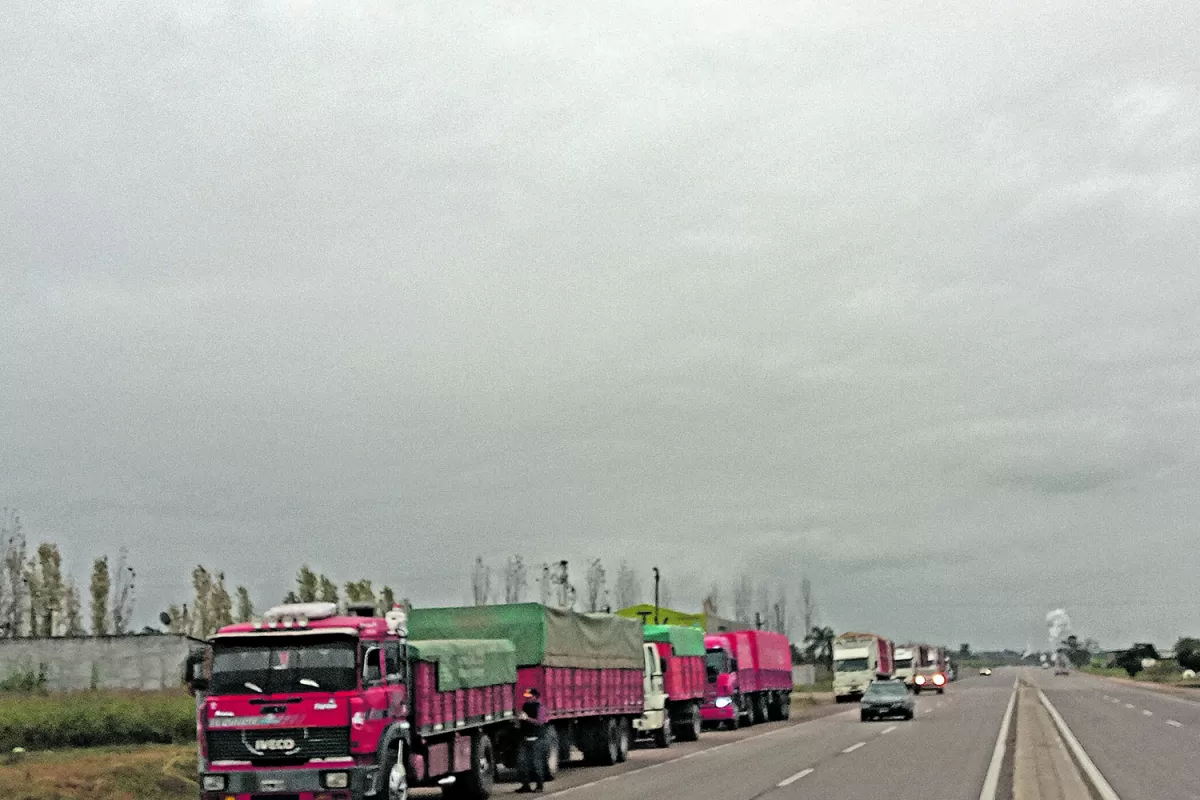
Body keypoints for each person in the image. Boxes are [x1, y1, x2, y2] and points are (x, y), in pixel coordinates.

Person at [515, 687, 548, 793]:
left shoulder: (540, 707)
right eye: (526, 697)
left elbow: (540, 722)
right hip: (525, 739)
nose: (527, 699)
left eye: (529, 697)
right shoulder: (525, 706)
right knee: (523, 763)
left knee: (536, 763)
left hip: (537, 740)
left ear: (535, 697)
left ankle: (539, 786)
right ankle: (525, 785)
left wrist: (527, 719)